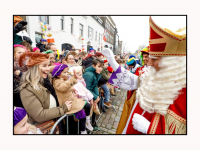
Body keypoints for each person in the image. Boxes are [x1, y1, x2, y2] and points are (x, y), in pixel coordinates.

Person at [103, 16, 186, 134]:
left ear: (171, 64)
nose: (149, 63)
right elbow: (132, 81)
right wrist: (114, 63)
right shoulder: (156, 74)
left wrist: (150, 129)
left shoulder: (184, 92)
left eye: (155, 59)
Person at [18, 52, 72, 134]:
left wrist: (66, 65)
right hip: (43, 130)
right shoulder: (26, 90)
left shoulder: (44, 81)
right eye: (44, 66)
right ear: (35, 68)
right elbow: (39, 115)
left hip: (55, 124)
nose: (48, 69)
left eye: (48, 65)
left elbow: (52, 68)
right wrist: (63, 109)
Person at [52, 64, 93, 134]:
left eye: (67, 72)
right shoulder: (57, 81)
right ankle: (83, 131)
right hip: (69, 104)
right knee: (82, 116)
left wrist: (73, 90)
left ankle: (88, 121)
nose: (67, 74)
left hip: (73, 100)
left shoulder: (63, 79)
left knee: (88, 105)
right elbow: (63, 87)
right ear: (58, 74)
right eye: (64, 72)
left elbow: (67, 87)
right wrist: (73, 79)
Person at [83, 58, 104, 131]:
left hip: (91, 94)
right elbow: (86, 88)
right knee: (88, 113)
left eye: (101, 67)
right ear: (93, 66)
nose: (100, 69)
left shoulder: (96, 73)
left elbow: (95, 85)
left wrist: (97, 95)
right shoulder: (89, 74)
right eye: (99, 66)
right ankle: (88, 125)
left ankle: (93, 123)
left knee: (93, 111)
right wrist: (95, 96)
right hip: (86, 95)